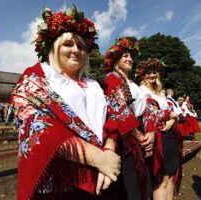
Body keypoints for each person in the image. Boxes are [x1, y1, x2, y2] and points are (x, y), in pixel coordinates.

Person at [10, 6, 121, 200]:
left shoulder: (94, 84)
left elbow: (111, 120)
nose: (76, 50)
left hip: (103, 175)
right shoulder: (37, 77)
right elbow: (38, 127)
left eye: (81, 46)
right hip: (60, 181)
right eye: (68, 44)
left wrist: (109, 149)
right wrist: (99, 158)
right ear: (54, 48)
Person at [103, 37, 152, 200]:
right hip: (126, 136)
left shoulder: (133, 84)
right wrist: (138, 135)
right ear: (115, 59)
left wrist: (150, 131)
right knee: (132, 186)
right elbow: (118, 110)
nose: (130, 59)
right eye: (125, 56)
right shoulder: (112, 78)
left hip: (139, 131)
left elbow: (147, 109)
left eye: (130, 56)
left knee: (143, 181)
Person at [136, 59, 181, 200]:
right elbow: (151, 115)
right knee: (161, 179)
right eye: (148, 73)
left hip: (170, 135)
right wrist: (172, 116)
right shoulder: (141, 91)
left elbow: (175, 113)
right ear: (143, 75)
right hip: (157, 137)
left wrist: (172, 120)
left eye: (153, 72)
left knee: (171, 175)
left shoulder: (160, 92)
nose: (151, 75)